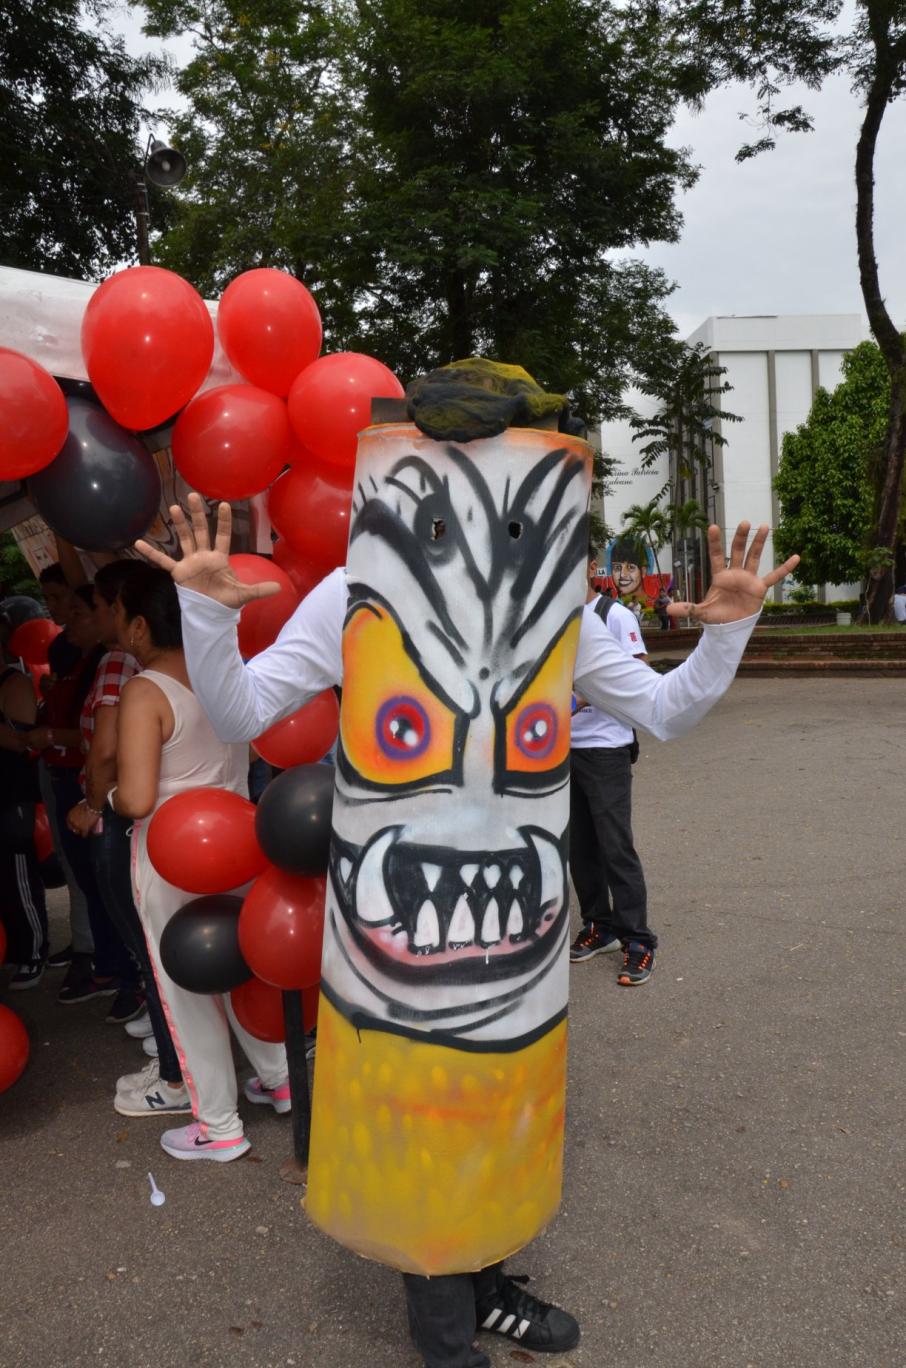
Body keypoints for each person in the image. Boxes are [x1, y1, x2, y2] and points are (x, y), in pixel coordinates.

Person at [136, 487, 797, 1368]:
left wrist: (725, 632)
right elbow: (242, 714)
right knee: (422, 1116)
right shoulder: (353, 590)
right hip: (397, 918)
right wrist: (207, 618)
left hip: (517, 918)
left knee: (495, 1113)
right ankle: (445, 1339)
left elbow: (663, 710)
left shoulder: (558, 600)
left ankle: (485, 1287)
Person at [111, 565, 289, 1149]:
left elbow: (136, 798)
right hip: (238, 841)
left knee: (185, 986)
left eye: (117, 616)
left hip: (171, 853)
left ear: (140, 625)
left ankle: (219, 1126)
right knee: (241, 966)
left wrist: (105, 797)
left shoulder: (144, 690)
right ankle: (281, 1078)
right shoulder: (228, 675)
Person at [65, 560, 184, 1074]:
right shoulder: (204, 671)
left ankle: (177, 1071)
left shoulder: (133, 679)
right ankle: (239, 1073)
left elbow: (129, 790)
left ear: (134, 620)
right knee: (175, 952)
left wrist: (96, 804)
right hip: (196, 832)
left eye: (104, 607)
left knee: (155, 954)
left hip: (148, 831)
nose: (102, 618)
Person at [26, 587, 136, 1013]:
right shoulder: (101, 662)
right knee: (107, 891)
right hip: (105, 793)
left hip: (107, 798)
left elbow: (105, 747)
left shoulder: (114, 662)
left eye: (79, 612)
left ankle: (137, 985)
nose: (67, 622)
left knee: (117, 895)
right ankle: (130, 980)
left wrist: (91, 805)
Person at [570, 550, 657, 985]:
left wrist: (583, 697)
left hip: (606, 747)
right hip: (560, 750)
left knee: (615, 847)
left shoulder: (614, 615)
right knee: (580, 849)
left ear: (589, 568)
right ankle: (598, 926)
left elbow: (638, 673)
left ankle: (637, 940)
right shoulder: (551, 620)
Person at [36, 563, 93, 978]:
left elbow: (96, 733)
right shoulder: (62, 651)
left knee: (93, 872)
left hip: (83, 776)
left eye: (66, 601)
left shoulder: (107, 660)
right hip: (63, 769)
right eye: (52, 601)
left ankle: (100, 956)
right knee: (79, 870)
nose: (60, 612)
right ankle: (89, 946)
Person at [0, 609, 48, 988]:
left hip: (11, 793)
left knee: (18, 876)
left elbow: (23, 740)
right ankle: (13, 950)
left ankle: (33, 951)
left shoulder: (12, 682)